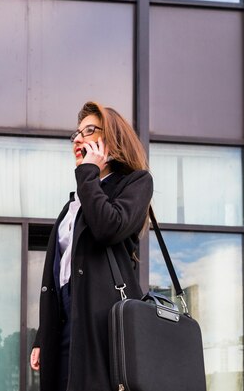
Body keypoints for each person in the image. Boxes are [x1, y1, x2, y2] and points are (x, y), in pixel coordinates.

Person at [29, 101, 153, 391]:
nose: (78, 139)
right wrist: (42, 337)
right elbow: (60, 275)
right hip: (66, 319)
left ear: (112, 138)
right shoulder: (72, 204)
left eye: (89, 131)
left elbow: (108, 227)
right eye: (76, 134)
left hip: (101, 319)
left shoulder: (135, 183)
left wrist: (88, 173)